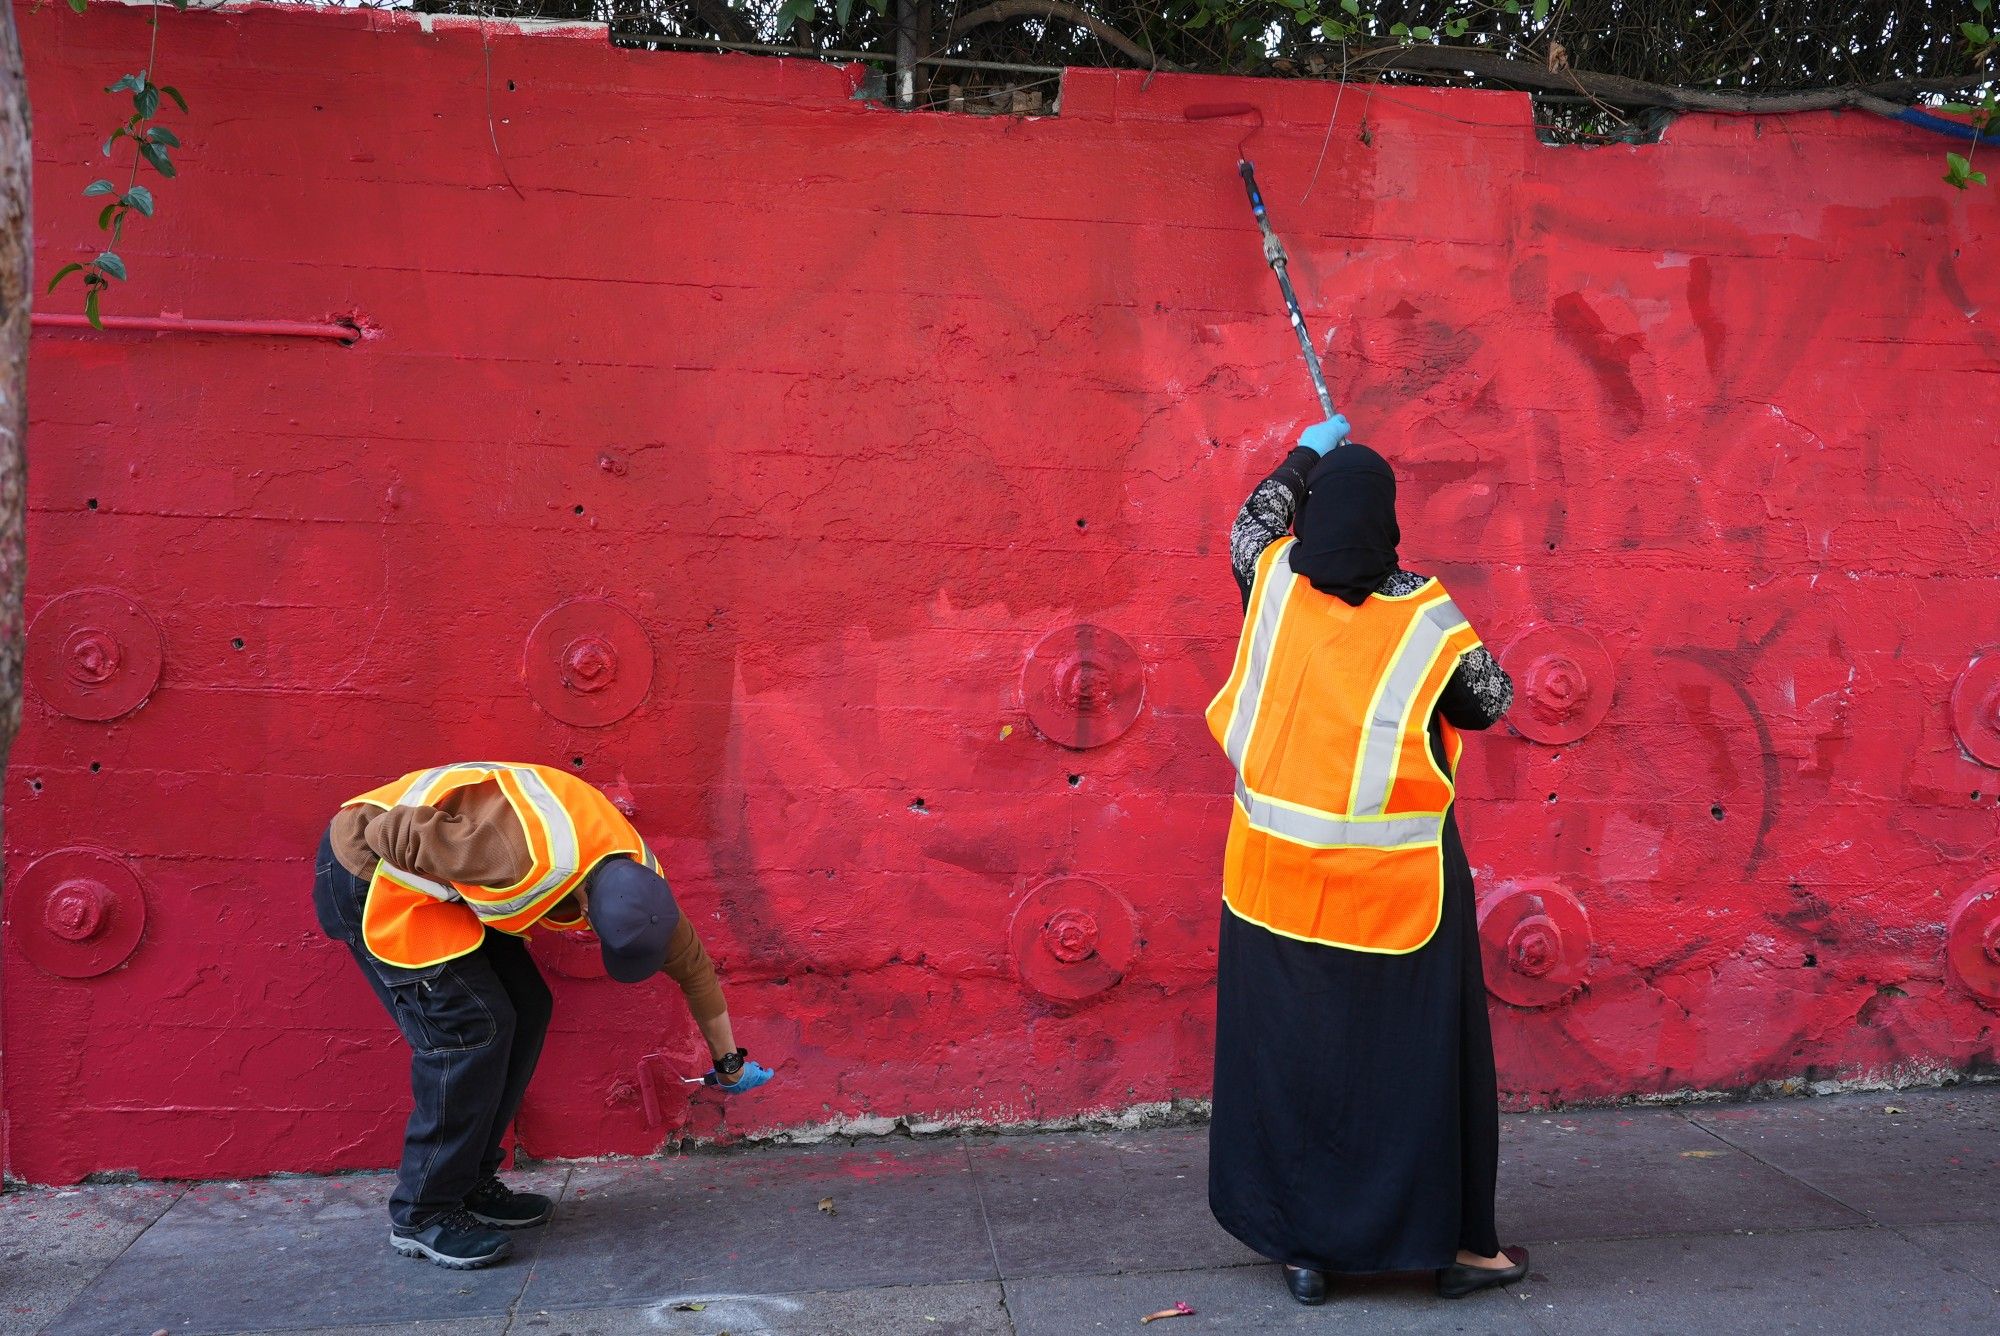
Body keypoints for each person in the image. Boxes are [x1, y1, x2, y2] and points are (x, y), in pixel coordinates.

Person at [1203, 415, 1526, 1305]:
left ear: (1311, 518)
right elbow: (1492, 701)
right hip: (1397, 906)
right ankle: (1455, 1251)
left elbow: (1251, 522)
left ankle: (1303, 1251)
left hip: (1272, 890)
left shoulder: (1269, 580)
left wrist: (1308, 453)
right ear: (1387, 524)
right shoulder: (1424, 611)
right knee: (1413, 1074)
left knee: (1294, 1065)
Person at [311, 761, 774, 1270]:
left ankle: (470, 1181)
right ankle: (423, 1212)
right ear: (587, 904)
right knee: (470, 1030)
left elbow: (697, 974)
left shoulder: (641, 884)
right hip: (367, 871)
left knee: (529, 1007)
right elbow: (387, 830)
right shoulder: (514, 859)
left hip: (443, 884)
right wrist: (444, 869)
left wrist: (729, 1062)